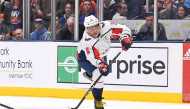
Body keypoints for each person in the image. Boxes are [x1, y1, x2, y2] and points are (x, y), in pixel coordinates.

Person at [77, 15, 133, 109]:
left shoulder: (106, 26)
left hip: (101, 54)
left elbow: (124, 29)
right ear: (86, 29)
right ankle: (98, 101)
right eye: (90, 28)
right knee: (98, 74)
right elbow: (94, 58)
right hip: (84, 58)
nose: (94, 30)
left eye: (95, 26)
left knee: (102, 73)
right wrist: (101, 64)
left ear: (99, 24)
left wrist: (125, 38)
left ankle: (90, 75)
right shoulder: (87, 41)